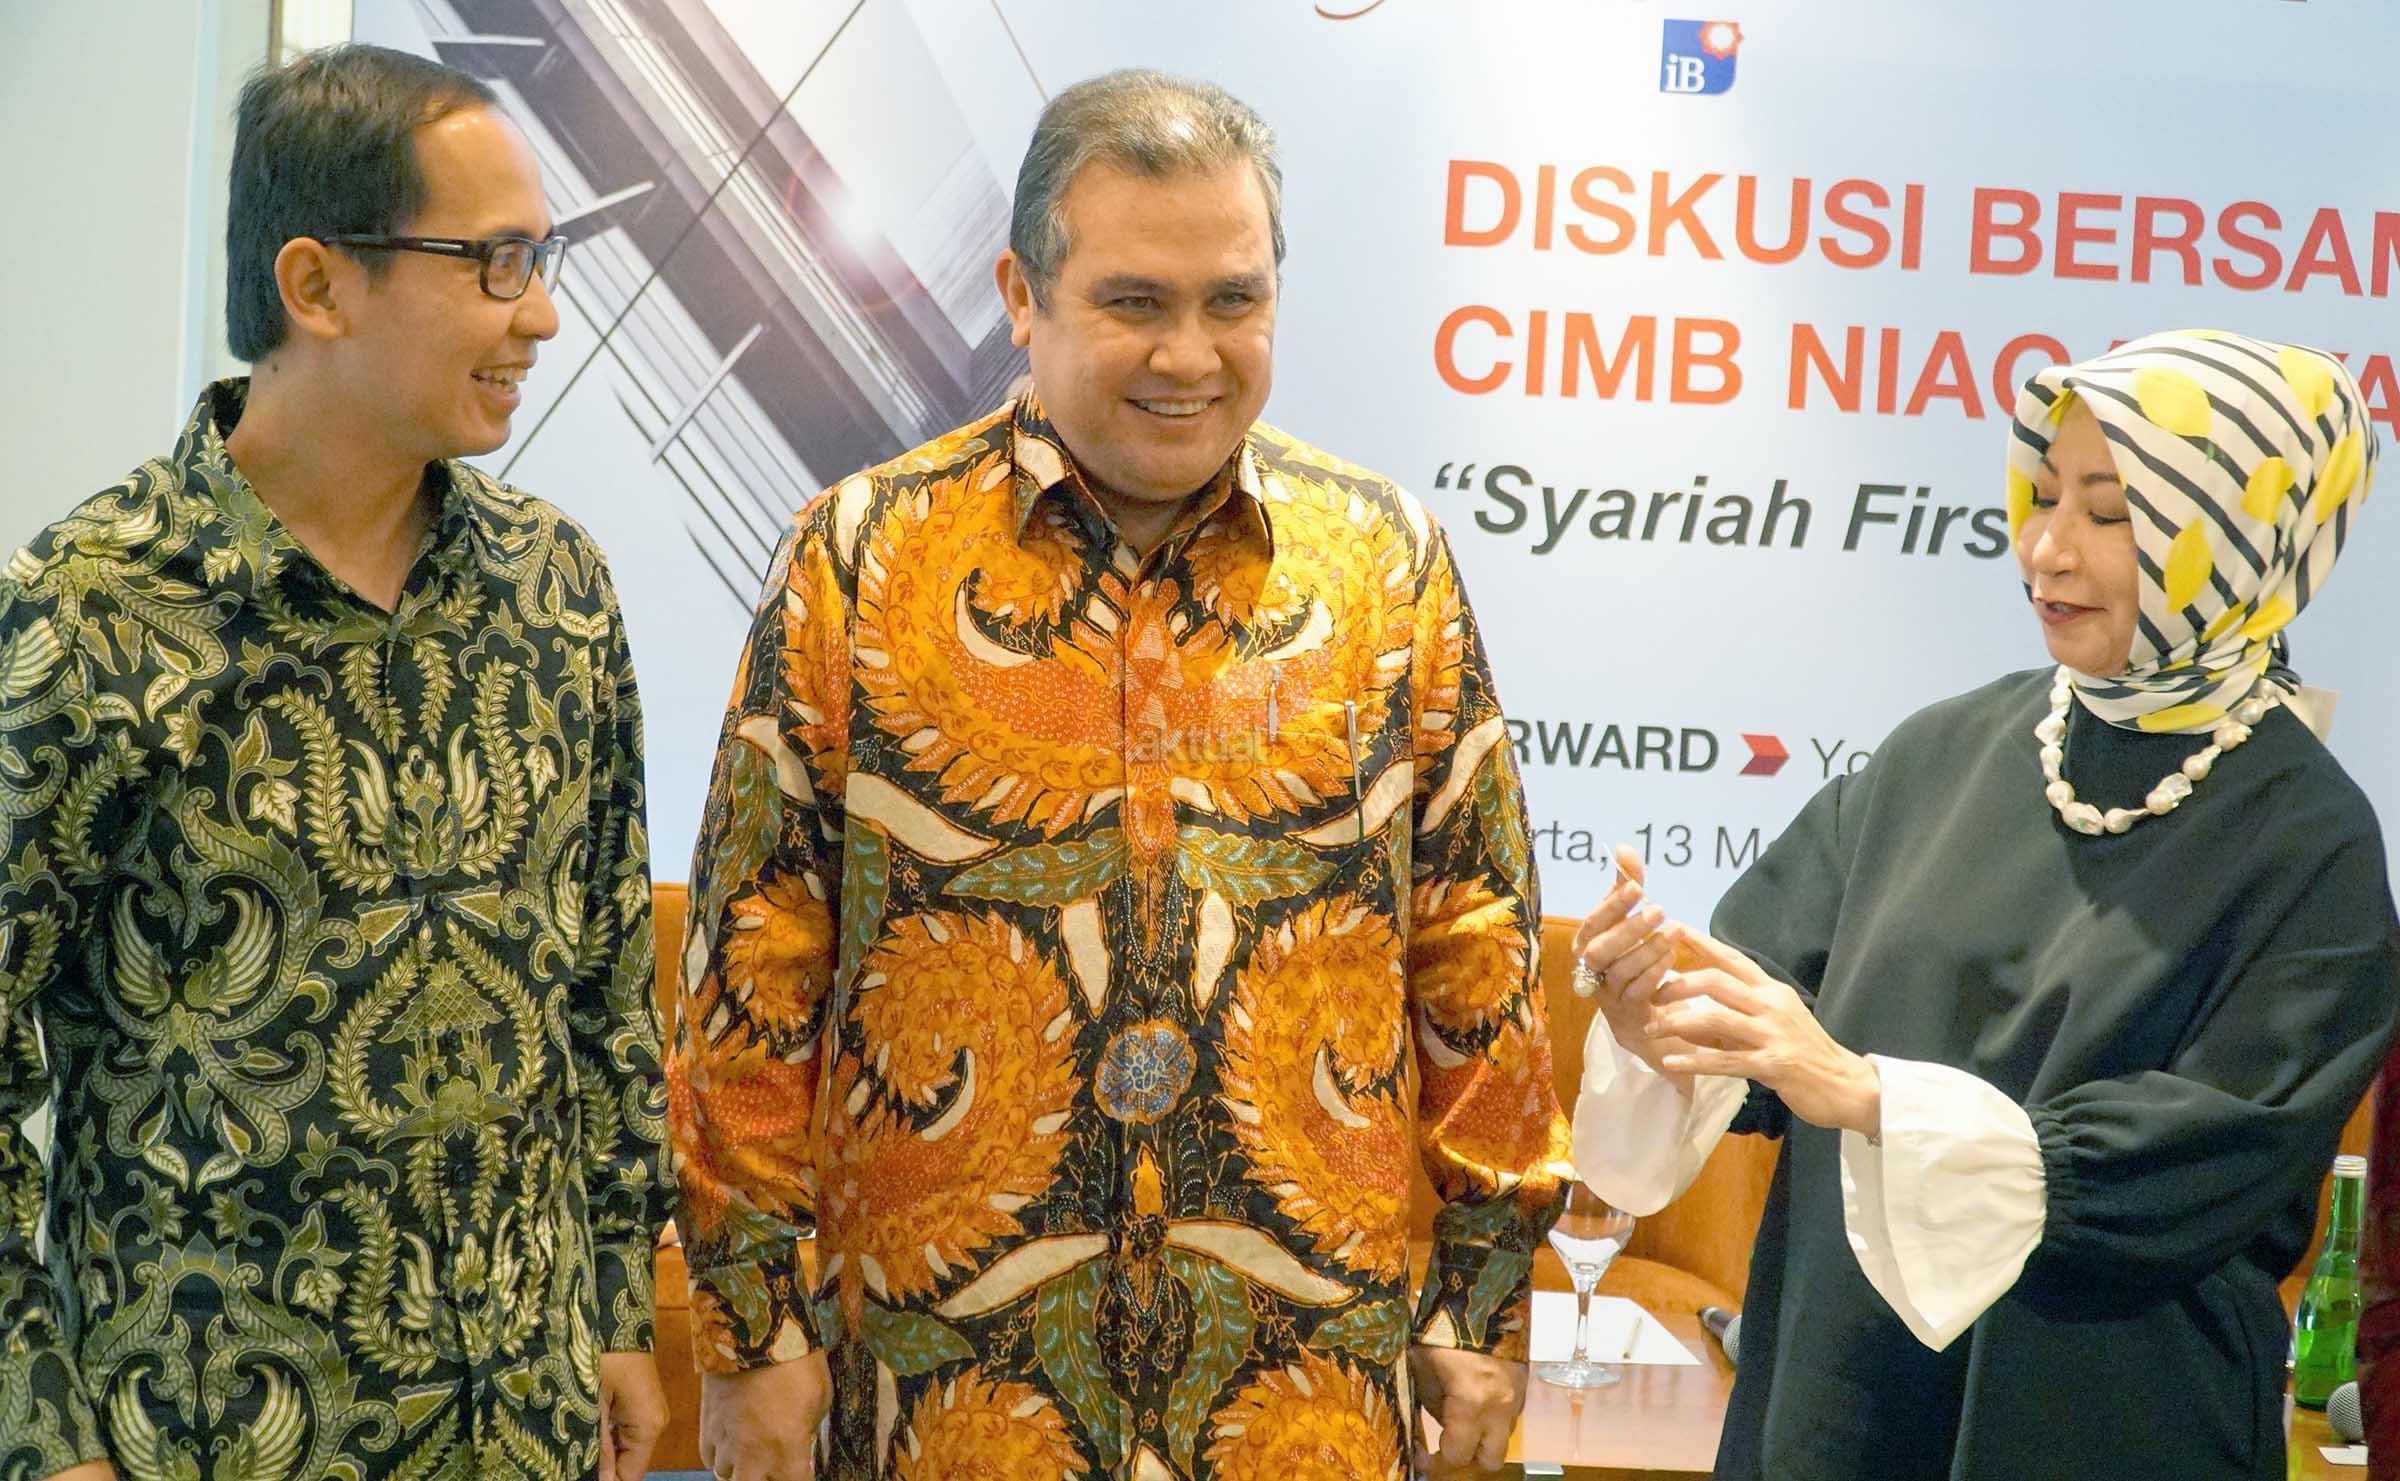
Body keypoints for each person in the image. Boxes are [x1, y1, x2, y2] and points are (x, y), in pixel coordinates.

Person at [669, 68, 1568, 1480]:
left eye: (1234, 300)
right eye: (1135, 302)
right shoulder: (856, 561)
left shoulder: (1387, 568)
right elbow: (750, 970)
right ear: (1021, 295)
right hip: (944, 1398)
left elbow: (1477, 945)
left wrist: (1485, 1295)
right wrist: (751, 1329)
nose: (1189, 355)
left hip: (1309, 1396)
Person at [0, 44, 671, 1481]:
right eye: (492, 263)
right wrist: (39, 1434)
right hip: (213, 1441)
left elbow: (608, 983)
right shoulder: (91, 614)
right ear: (316, 285)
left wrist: (617, 1298)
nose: (542, 313)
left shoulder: (556, 587)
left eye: (541, 258)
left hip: (525, 1430)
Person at [1572, 330, 2397, 1479]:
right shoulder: (1939, 754)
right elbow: (1763, 1016)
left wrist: (1869, 1093)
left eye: (2111, 512)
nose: (2047, 547)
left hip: (2107, 1418)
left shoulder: (2310, 839)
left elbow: (2211, 1154)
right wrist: (1657, 1010)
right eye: (2042, 495)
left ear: (2238, 535)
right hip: (1847, 1391)